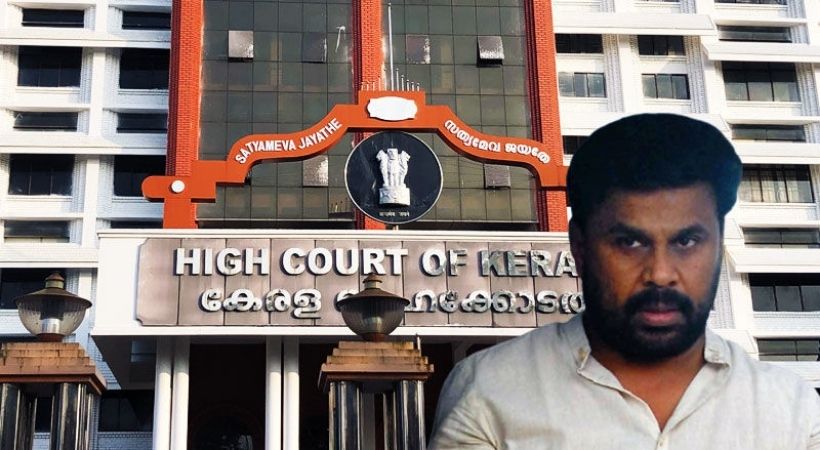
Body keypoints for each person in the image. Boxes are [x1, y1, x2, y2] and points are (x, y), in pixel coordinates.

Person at [428, 113, 820, 449]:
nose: (660, 274)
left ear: (718, 244)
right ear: (579, 246)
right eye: (630, 242)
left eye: (686, 241)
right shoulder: (490, 392)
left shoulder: (793, 411)